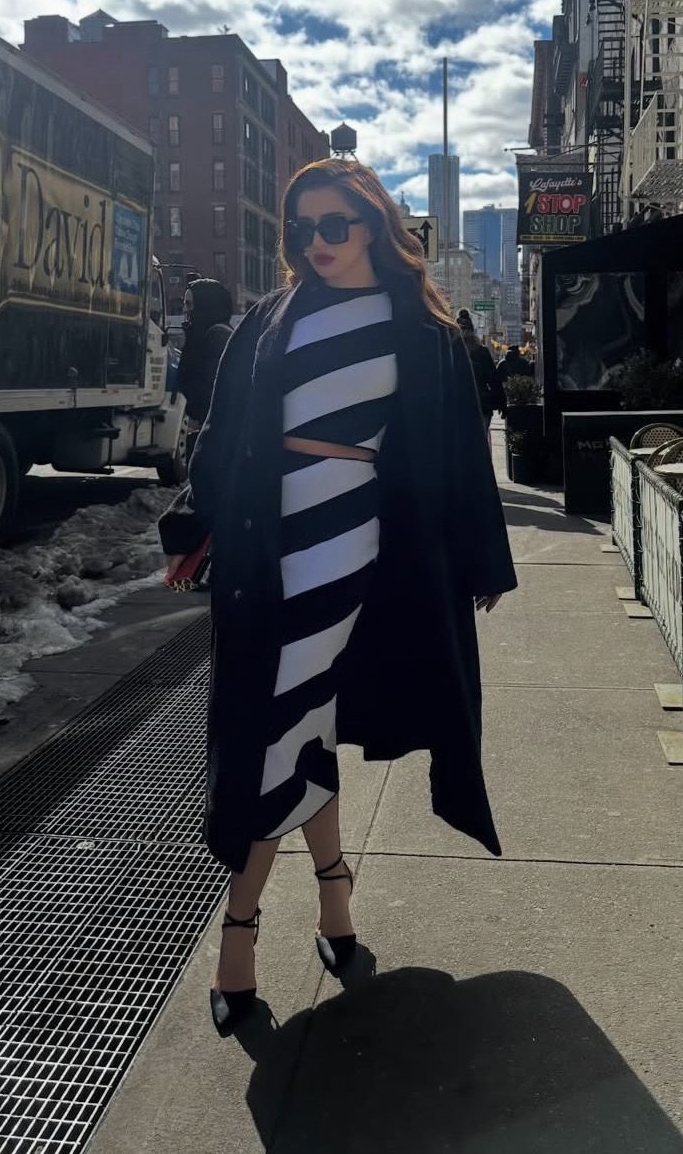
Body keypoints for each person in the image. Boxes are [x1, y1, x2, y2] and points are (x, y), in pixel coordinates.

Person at [159, 159, 517, 1037]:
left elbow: (457, 452)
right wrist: (191, 523)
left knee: (278, 725)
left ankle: (239, 924)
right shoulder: (269, 319)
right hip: (264, 544)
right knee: (299, 723)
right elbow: (223, 432)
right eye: (302, 227)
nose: (316, 242)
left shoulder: (422, 331)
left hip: (357, 544)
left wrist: (480, 561)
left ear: (372, 225)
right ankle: (334, 893)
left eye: (334, 224)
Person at [175, 278, 233, 462]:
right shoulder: (205, 335)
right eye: (184, 303)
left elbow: (213, 390)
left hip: (216, 437)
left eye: (189, 304)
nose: (185, 309)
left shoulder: (217, 336)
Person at [456, 309, 508, 430]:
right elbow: (494, 379)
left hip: (458, 406)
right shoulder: (481, 351)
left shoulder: (452, 351)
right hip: (481, 404)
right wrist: (502, 403)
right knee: (480, 439)